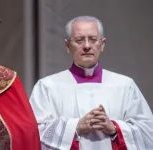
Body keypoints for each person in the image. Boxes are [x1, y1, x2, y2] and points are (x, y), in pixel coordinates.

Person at [29, 16, 153, 150]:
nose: (87, 46)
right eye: (79, 40)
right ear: (67, 46)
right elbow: (34, 132)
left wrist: (114, 128)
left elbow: (147, 132)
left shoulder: (125, 85)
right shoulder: (47, 86)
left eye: (93, 39)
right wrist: (75, 127)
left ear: (102, 44)